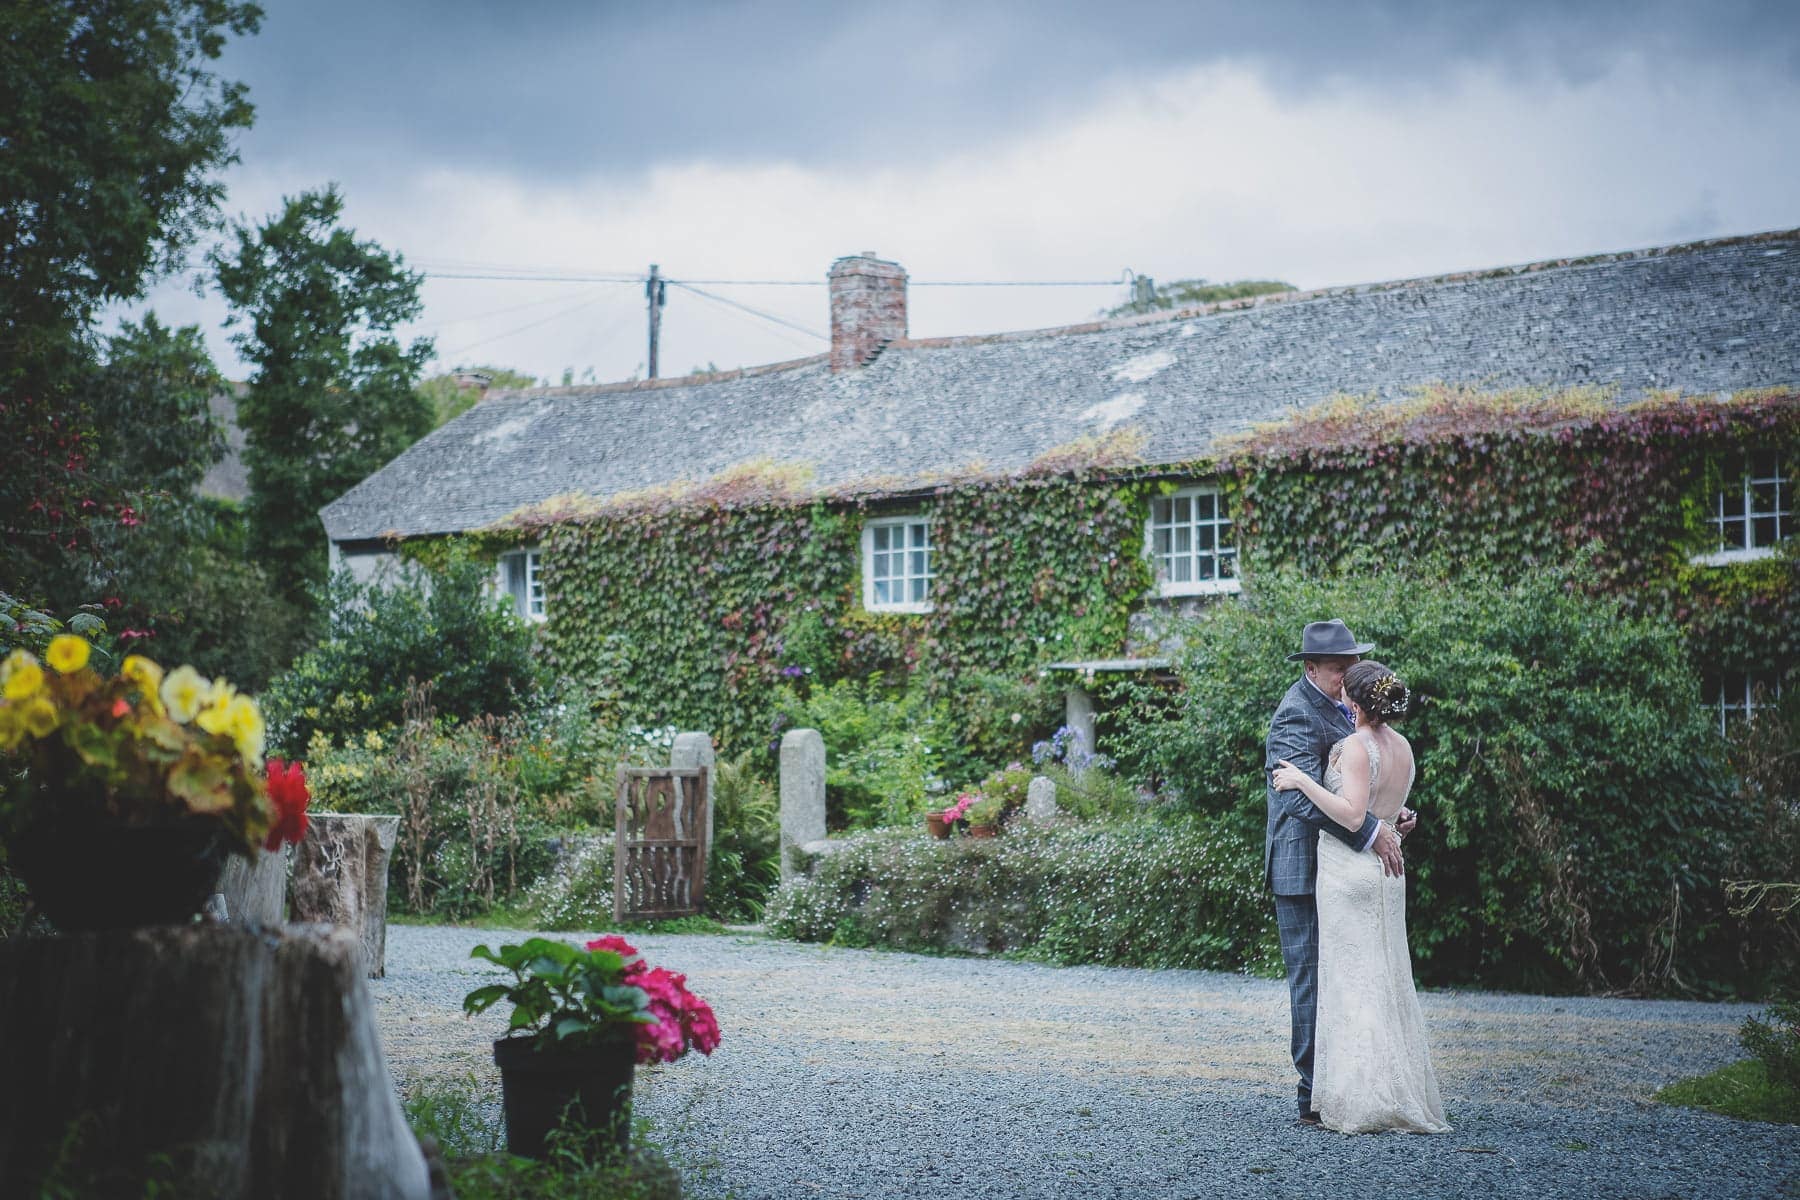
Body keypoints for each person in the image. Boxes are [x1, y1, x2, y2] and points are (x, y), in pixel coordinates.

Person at [1273, 659, 1450, 1134]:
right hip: (1383, 873)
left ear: (1356, 701)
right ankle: (1391, 1088)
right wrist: (1390, 821)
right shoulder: (1402, 745)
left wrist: (1303, 780)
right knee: (1383, 978)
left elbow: (1352, 815)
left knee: (1350, 982)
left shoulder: (1355, 743)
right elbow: (1377, 806)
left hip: (1350, 873)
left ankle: (1355, 1097)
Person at [1262, 619, 1412, 1127]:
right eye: (1337, 668)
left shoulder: (1350, 707)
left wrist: (1389, 817)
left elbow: (1357, 783)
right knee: (1312, 981)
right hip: (1304, 867)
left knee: (1350, 977)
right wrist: (1371, 831)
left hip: (1345, 868)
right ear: (1311, 669)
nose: (1347, 675)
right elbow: (1297, 799)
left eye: (1352, 665)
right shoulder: (1295, 714)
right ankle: (1312, 1095)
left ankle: (1350, 1085)